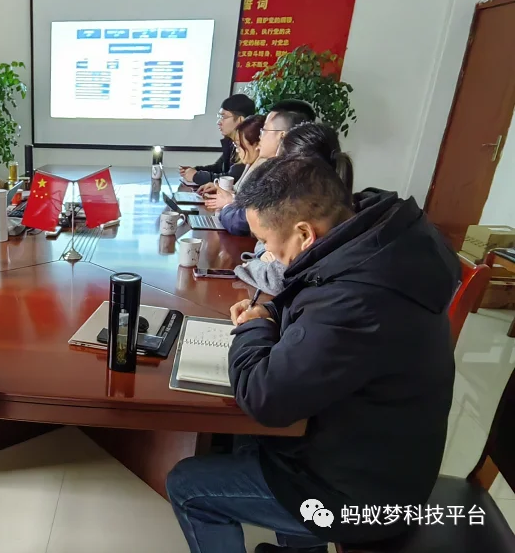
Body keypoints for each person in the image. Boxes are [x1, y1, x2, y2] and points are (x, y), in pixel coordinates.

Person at [167, 156, 459, 553]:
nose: (269, 256)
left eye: (269, 245)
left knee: (188, 485)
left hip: (362, 494)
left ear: (304, 233)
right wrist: (270, 312)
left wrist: (253, 327)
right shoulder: (373, 243)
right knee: (242, 438)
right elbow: (311, 289)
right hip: (380, 455)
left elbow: (264, 398)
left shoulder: (357, 301)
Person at [234, 122, 354, 294]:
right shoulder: (345, 215)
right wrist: (270, 308)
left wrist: (247, 266)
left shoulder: (344, 283)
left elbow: (279, 279)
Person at [216, 100, 314, 235]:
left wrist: (228, 205)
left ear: (282, 136)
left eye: (264, 130)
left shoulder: (284, 175)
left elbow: (243, 222)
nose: (260, 137)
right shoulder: (283, 167)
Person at [179, 94, 256, 185]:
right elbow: (218, 167)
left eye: (224, 117)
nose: (218, 122)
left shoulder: (250, 145)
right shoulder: (231, 142)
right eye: (219, 117)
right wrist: (195, 170)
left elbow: (232, 178)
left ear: (240, 120)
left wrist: (197, 176)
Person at [202, 115, 265, 211]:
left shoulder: (264, 171)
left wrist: (230, 201)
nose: (237, 150)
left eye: (239, 145)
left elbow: (251, 210)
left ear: (257, 145)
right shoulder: (250, 164)